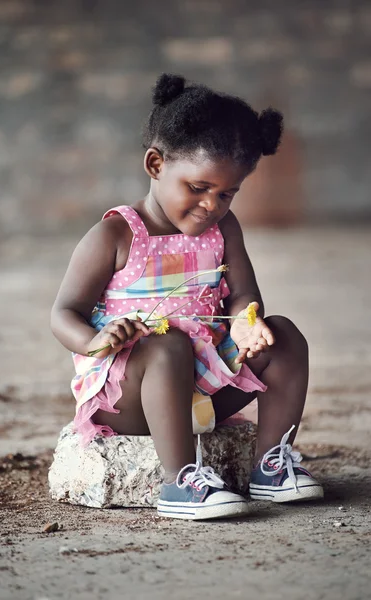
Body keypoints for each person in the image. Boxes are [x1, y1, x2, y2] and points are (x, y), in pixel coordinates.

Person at [51, 73, 323, 521]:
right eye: (198, 188)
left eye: (227, 193)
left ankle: (270, 467)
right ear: (156, 164)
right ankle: (181, 482)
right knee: (168, 344)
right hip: (132, 399)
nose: (212, 205)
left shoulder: (223, 229)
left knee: (285, 336)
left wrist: (246, 319)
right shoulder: (116, 235)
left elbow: (243, 292)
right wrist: (96, 342)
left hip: (207, 390)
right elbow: (64, 312)